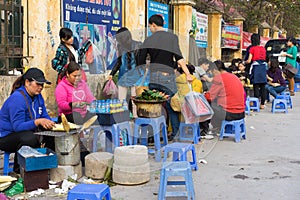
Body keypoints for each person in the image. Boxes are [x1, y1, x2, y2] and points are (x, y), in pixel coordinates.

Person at [138, 14, 193, 141]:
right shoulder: (172, 37)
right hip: (167, 77)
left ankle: (152, 136)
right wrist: (188, 74)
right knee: (172, 106)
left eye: (150, 26)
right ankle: (175, 134)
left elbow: (140, 61)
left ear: (153, 25)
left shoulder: (148, 40)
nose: (150, 29)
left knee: (153, 107)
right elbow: (179, 58)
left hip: (153, 77)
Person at [0, 68, 55, 173]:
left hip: (26, 132)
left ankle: (46, 167)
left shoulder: (38, 97)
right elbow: (18, 127)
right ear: (27, 82)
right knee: (29, 138)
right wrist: (37, 122)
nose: (40, 87)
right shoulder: (17, 98)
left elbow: (44, 115)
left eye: (42, 85)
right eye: (38, 84)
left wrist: (49, 123)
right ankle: (19, 171)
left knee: (53, 134)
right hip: (6, 136)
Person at [108, 27, 143, 118]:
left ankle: (136, 116)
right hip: (123, 76)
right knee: (121, 100)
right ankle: (122, 116)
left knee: (135, 99)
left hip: (136, 76)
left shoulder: (138, 45)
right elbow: (119, 61)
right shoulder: (120, 47)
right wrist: (112, 73)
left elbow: (143, 61)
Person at [207, 60, 245, 133]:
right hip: (241, 112)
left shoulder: (219, 78)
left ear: (214, 70)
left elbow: (210, 97)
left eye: (212, 72)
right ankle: (220, 127)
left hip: (229, 113)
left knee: (206, 105)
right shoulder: (233, 76)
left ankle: (213, 127)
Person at [245, 33, 267, 109]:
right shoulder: (263, 48)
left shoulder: (252, 49)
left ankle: (256, 103)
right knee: (263, 86)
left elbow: (249, 60)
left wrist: (244, 62)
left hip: (256, 67)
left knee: (256, 85)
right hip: (263, 67)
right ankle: (262, 104)